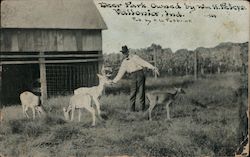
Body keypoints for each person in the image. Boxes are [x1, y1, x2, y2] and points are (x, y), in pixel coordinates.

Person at [112, 45, 159, 111]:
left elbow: (144, 63)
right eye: (123, 53)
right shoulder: (124, 62)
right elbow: (120, 73)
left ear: (128, 51)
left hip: (140, 74)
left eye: (125, 52)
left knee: (141, 92)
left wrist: (153, 68)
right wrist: (114, 81)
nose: (124, 54)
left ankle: (142, 109)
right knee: (133, 93)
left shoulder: (135, 57)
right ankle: (131, 110)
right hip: (133, 76)